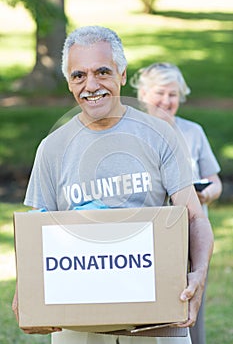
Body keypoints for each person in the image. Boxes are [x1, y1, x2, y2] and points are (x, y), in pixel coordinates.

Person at [12, 26, 214, 344]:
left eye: (102, 72)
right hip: (78, 320)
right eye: (79, 76)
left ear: (121, 73)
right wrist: (26, 290)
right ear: (68, 82)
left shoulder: (161, 135)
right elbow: (37, 234)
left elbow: (194, 217)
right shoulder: (51, 148)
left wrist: (198, 272)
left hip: (155, 316)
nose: (91, 85)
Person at [130, 62, 222, 344]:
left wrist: (205, 194)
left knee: (191, 296)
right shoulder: (132, 131)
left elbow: (215, 181)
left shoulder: (193, 132)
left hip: (191, 232)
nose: (167, 101)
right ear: (143, 94)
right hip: (153, 233)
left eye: (174, 95)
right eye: (160, 93)